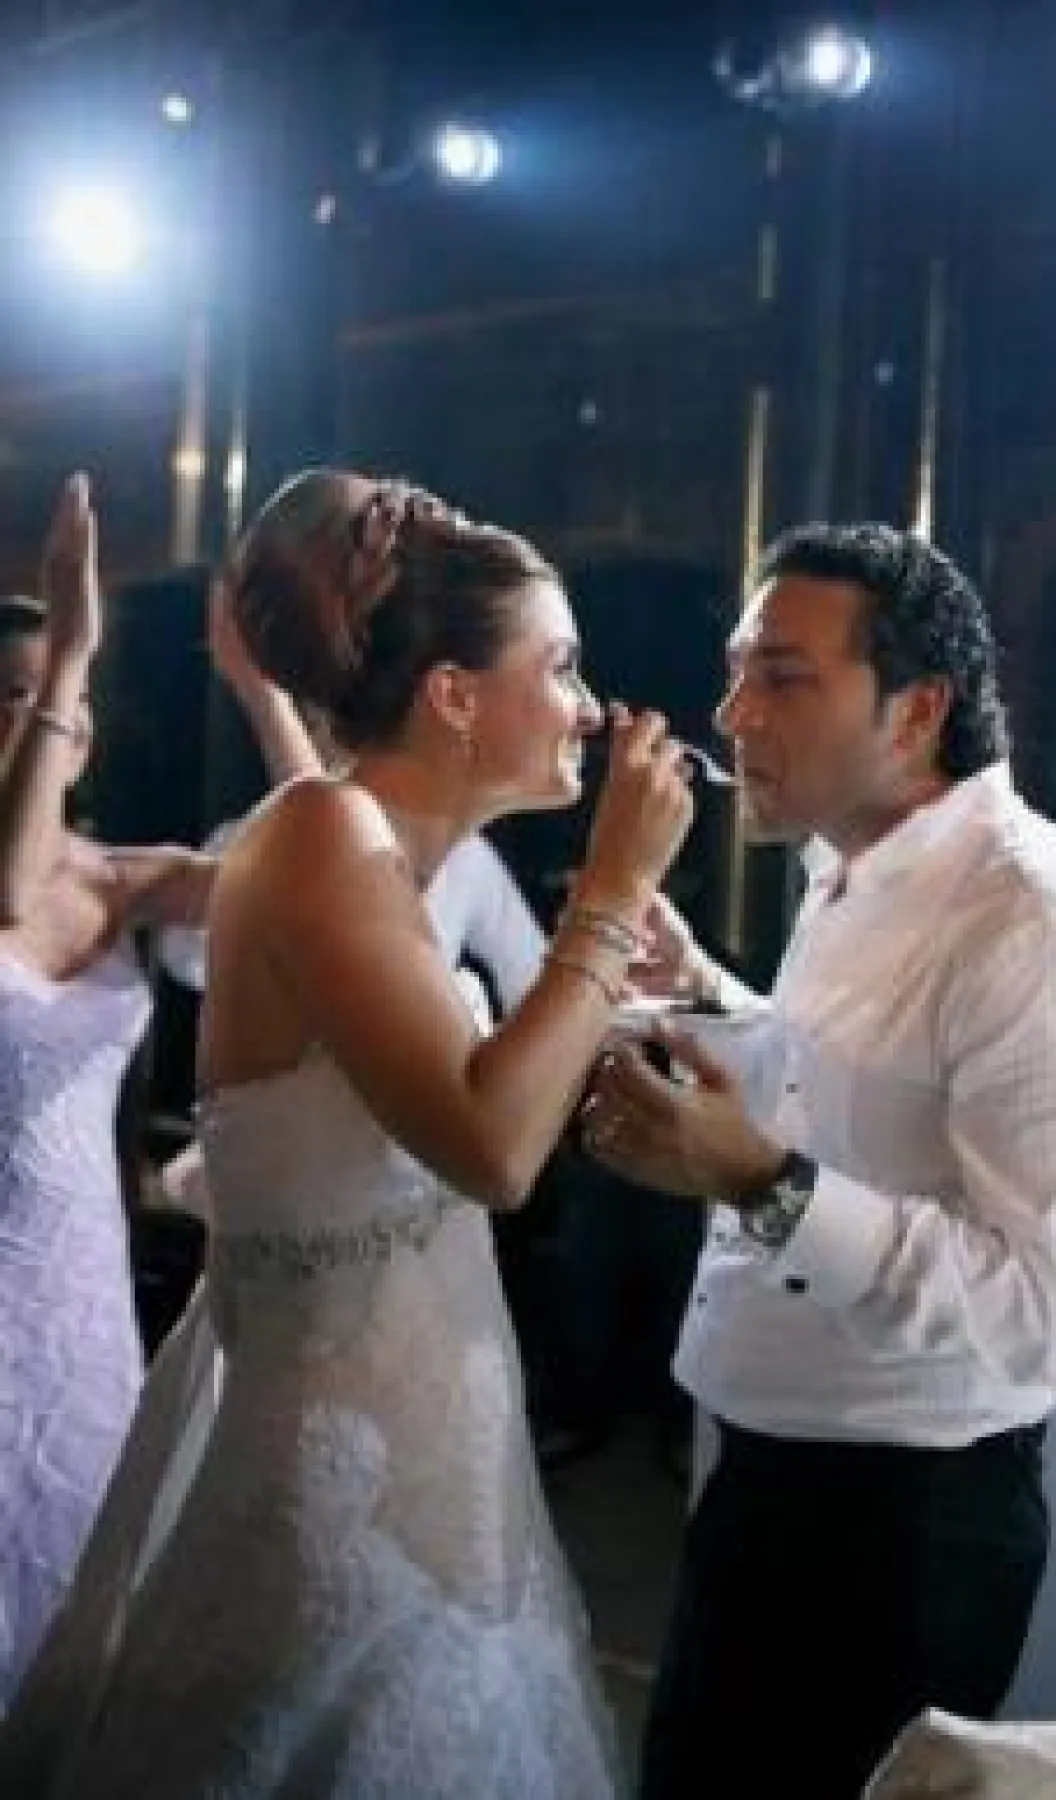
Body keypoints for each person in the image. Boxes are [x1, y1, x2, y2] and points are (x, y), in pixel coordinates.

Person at [0, 468, 693, 1798]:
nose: (593, 706)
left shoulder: (366, 843)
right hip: (332, 1473)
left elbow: (473, 1090)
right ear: (453, 695)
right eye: (561, 666)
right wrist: (609, 893)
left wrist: (630, 1003)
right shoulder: (323, 831)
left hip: (424, 1436)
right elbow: (490, 1149)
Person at [579, 521, 1056, 1800]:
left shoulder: (1037, 928)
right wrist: (706, 992)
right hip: (770, 1476)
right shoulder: (860, 868)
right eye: (735, 672)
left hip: (900, 1534)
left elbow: (1047, 1309)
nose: (731, 715)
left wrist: (761, 1184)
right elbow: (853, 1087)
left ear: (916, 710)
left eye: (782, 677)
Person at [0, 476, 222, 1709]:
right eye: (16, 696)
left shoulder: (120, 878)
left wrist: (270, 695)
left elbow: (335, 878)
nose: (51, 718)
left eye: (65, 701)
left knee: (85, 1602)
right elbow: (7, 891)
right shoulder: (20, 882)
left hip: (80, 1288)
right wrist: (75, 647)